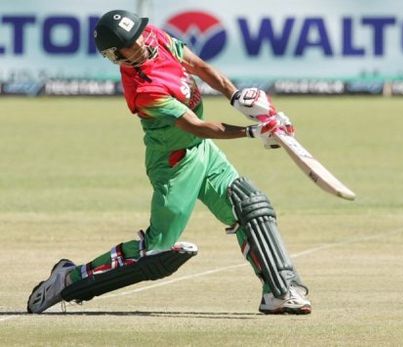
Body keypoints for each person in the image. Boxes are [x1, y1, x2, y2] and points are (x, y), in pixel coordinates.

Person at [27, 9, 310, 315]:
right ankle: (66, 281)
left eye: (137, 36)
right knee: (156, 252)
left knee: (250, 205)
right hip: (174, 165)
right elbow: (195, 125)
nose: (140, 44)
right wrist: (253, 132)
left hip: (202, 151)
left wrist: (238, 97)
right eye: (130, 45)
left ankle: (280, 292)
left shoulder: (155, 37)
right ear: (116, 55)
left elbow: (198, 66)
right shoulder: (143, 90)